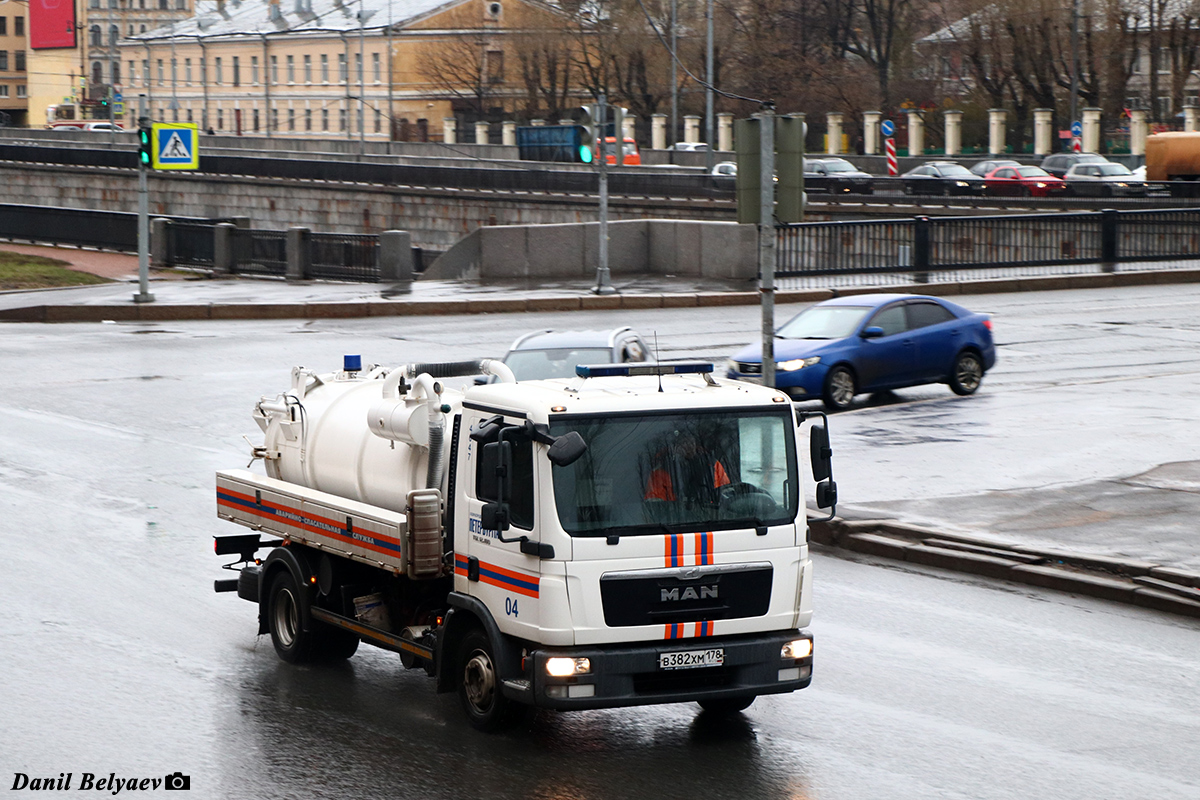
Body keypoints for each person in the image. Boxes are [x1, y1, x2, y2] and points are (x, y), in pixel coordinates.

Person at [644, 430, 730, 504]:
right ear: (676, 447)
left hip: (712, 517)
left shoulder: (713, 465)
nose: (688, 446)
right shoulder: (660, 472)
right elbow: (655, 505)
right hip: (674, 519)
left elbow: (726, 494)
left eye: (691, 442)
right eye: (684, 443)